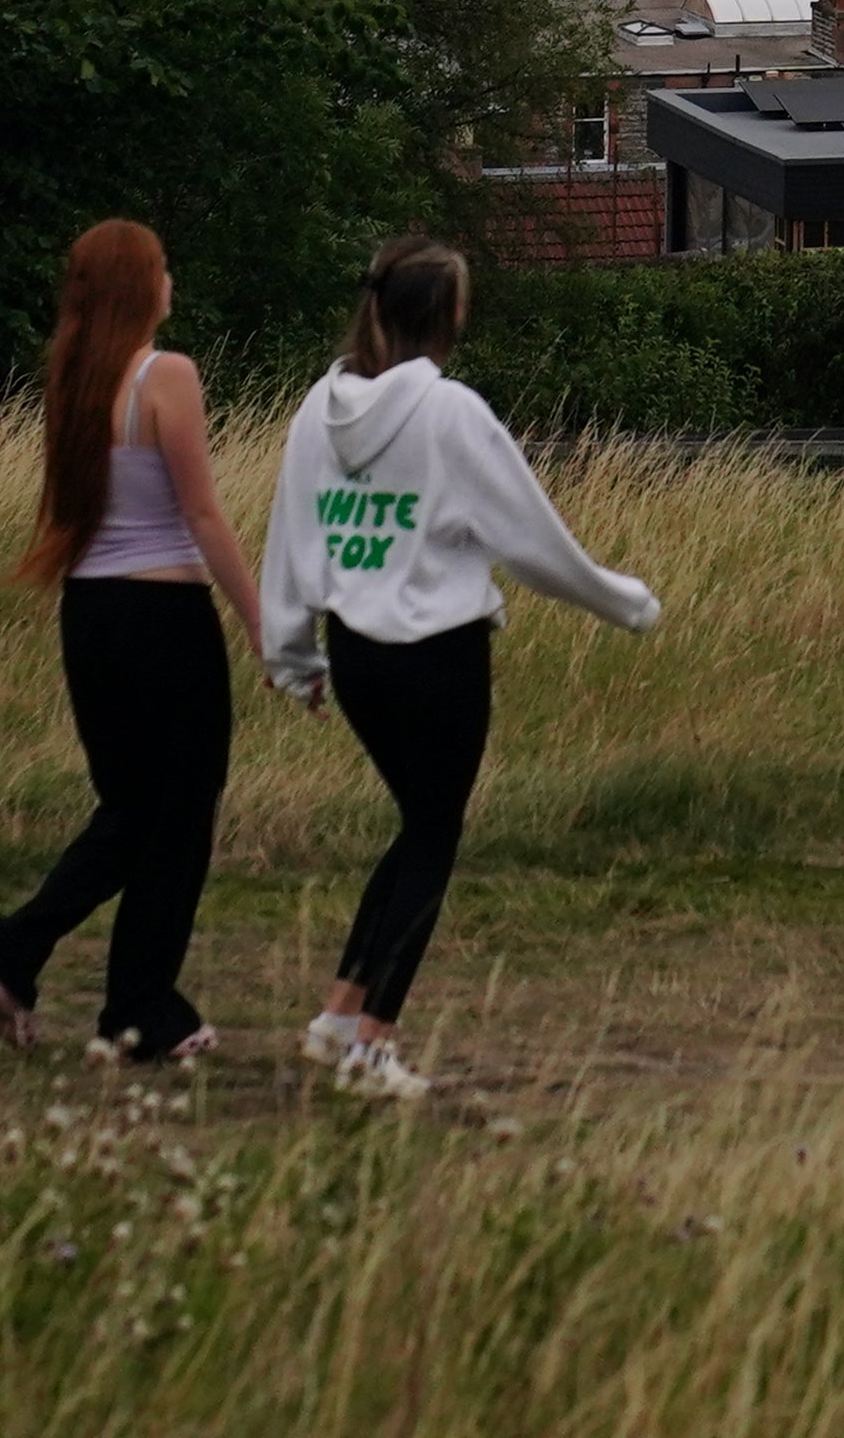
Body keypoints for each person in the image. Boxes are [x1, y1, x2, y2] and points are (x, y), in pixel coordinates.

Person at [258, 235, 662, 1102]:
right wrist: (621, 600)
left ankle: (339, 1016)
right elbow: (530, 538)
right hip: (440, 658)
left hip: (357, 658)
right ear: (453, 317)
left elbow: (292, 537)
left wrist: (292, 655)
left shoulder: (315, 412)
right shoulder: (453, 414)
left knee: (417, 830)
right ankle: (372, 1045)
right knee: (433, 839)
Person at [0, 219, 261, 1062]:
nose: (172, 282)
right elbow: (201, 512)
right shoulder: (168, 375)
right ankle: (133, 1012)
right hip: (165, 622)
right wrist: (262, 621)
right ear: (139, 286)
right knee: (179, 819)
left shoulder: (73, 381)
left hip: (89, 619)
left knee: (133, 813)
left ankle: (26, 958)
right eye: (163, 268)